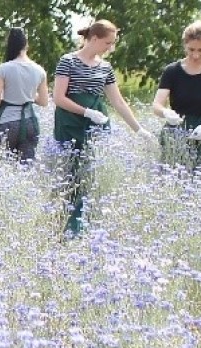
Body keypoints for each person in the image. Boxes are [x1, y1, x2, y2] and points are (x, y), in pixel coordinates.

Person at [52, 20, 149, 237]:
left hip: (96, 123)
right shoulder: (67, 61)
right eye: (108, 43)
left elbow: (118, 101)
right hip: (71, 122)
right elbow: (58, 97)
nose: (110, 48)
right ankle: (66, 227)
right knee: (71, 174)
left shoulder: (105, 68)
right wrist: (85, 111)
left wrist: (138, 129)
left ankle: (87, 226)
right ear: (94, 39)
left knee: (93, 173)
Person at [151, 21, 201, 173]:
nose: (195, 55)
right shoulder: (172, 71)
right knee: (173, 180)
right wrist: (166, 113)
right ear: (185, 46)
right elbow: (157, 105)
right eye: (191, 49)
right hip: (177, 130)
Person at [0, 27, 51, 165]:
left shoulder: (3, 69)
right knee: (26, 167)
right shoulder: (39, 70)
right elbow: (43, 101)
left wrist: (12, 98)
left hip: (8, 122)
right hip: (30, 122)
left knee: (2, 165)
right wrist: (27, 96)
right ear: (26, 45)